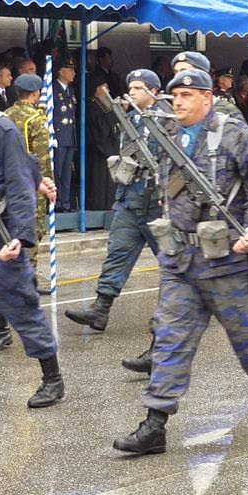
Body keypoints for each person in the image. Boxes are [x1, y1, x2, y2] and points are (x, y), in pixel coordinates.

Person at [113, 69, 248, 455]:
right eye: (175, 94)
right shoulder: (170, 135)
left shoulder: (234, 135)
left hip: (227, 260)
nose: (178, 101)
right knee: (170, 341)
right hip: (183, 261)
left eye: (188, 95)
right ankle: (155, 423)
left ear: (208, 98)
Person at [0, 65, 63, 407]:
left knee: (21, 301)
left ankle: (52, 377)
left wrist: (21, 236)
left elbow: (17, 179)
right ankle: (0, 328)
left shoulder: (0, 128)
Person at [65, 71, 162, 352]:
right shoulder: (130, 119)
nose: (130, 92)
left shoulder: (167, 121)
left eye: (137, 88)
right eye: (129, 87)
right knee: (117, 254)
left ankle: (178, 316)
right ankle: (100, 308)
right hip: (131, 201)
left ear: (153, 91)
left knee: (174, 265)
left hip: (157, 205)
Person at [3, 74, 53, 294]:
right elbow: (43, 157)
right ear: (35, 94)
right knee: (32, 231)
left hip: (8, 182)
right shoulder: (35, 118)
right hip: (31, 183)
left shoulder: (4, 116)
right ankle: (26, 282)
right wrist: (49, 183)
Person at [85, 77, 119, 210]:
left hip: (108, 149)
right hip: (99, 151)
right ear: (98, 90)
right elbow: (102, 130)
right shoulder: (93, 106)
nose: (108, 90)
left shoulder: (103, 105)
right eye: (105, 87)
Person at [52, 58, 77, 212]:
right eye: (70, 69)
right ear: (61, 71)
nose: (74, 73)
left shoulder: (70, 90)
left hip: (69, 137)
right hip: (59, 137)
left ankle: (65, 202)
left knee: (67, 173)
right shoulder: (52, 89)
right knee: (57, 172)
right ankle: (55, 203)